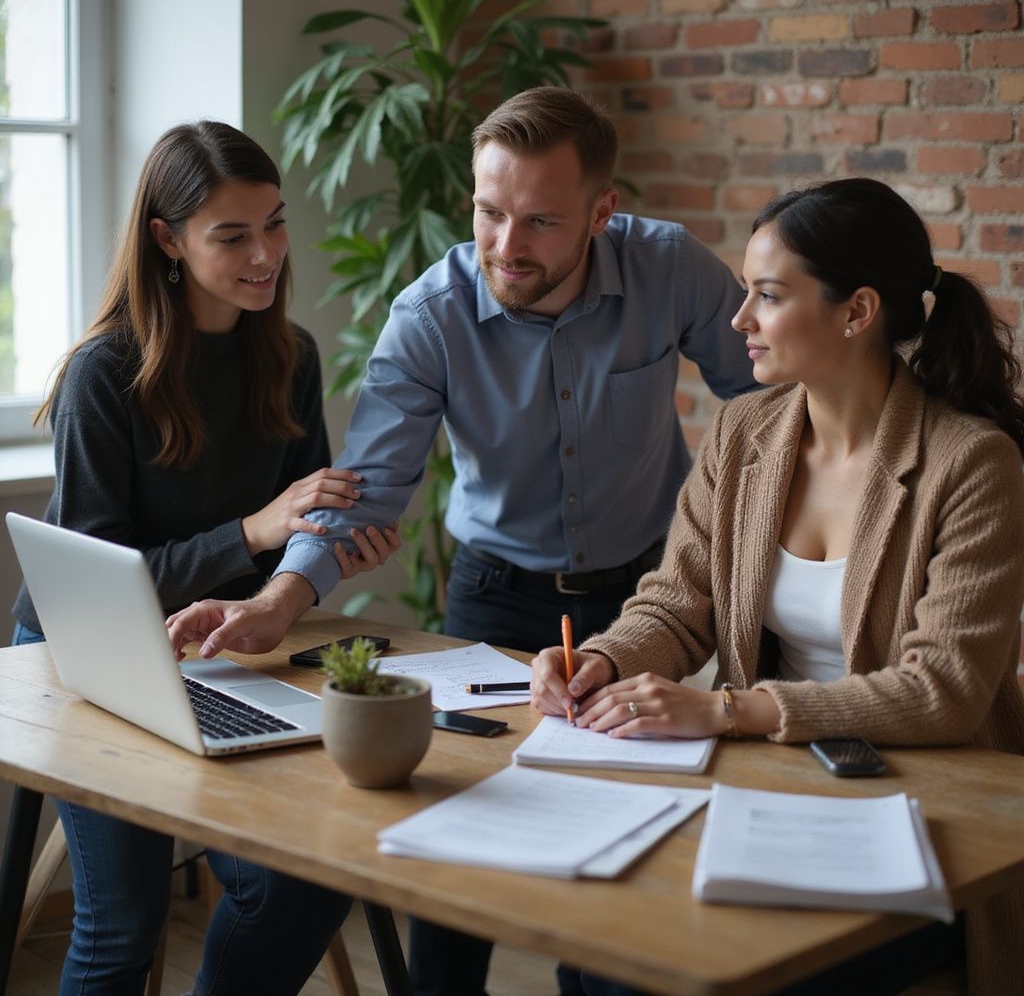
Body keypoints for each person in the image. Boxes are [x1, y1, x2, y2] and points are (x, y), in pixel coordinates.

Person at [165, 87, 757, 996]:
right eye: (488, 213)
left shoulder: (668, 269)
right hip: (496, 600)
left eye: (540, 222)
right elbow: (367, 489)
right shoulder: (429, 314)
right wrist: (277, 602)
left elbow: (766, 392)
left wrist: (745, 531)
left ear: (603, 212)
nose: (506, 247)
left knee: (620, 870)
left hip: (648, 604)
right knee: (462, 872)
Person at [531, 178, 1024, 996]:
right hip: (766, 788)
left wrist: (731, 709)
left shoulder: (971, 464)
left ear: (857, 311)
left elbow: (947, 691)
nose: (739, 321)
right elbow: (676, 601)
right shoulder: (743, 431)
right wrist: (605, 662)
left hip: (917, 811)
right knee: (592, 951)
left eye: (767, 296)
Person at [11, 120, 399, 996]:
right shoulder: (102, 375)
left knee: (303, 882)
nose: (266, 254)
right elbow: (96, 588)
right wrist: (255, 533)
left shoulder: (287, 356)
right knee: (123, 928)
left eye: (274, 223)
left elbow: (304, 527)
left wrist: (330, 552)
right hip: (85, 665)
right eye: (232, 235)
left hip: (218, 654)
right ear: (168, 240)